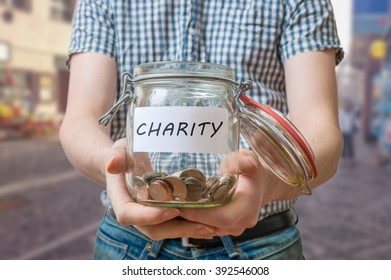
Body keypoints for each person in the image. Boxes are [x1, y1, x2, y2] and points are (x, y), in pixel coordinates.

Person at [60, 0, 344, 260]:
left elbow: (322, 132)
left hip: (260, 244)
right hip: (127, 243)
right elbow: (80, 119)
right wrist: (112, 167)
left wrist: (265, 185)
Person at [339, 100, 357, 166]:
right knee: (343, 146)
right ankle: (343, 159)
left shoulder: (351, 112)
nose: (347, 106)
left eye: (348, 105)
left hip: (349, 131)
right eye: (346, 105)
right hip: (343, 131)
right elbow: (340, 121)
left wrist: (354, 127)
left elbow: (353, 121)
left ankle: (351, 159)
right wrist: (341, 129)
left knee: (350, 145)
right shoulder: (341, 112)